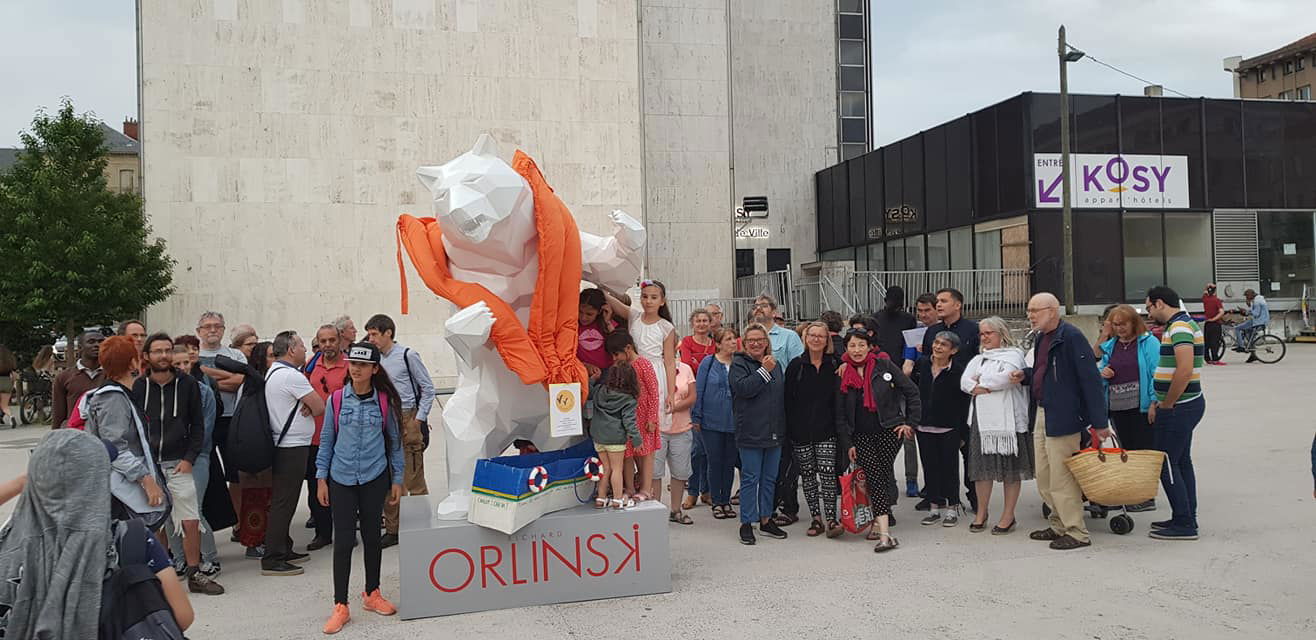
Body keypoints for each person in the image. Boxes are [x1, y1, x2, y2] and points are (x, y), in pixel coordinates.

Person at [0, 429, 194, 639]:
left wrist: (24, 482)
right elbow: (183, 617)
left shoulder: (8, 545)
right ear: (98, 482)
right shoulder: (130, 539)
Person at [315, 342, 404, 634]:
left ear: (374, 369)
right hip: (341, 478)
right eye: (353, 363)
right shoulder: (337, 400)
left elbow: (394, 442)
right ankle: (340, 605)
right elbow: (326, 439)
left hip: (374, 476)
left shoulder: (384, 401)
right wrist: (321, 478)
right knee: (342, 542)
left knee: (372, 537)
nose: (356, 368)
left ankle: (372, 593)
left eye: (363, 365)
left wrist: (397, 479)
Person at [131, 333, 224, 595]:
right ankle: (163, 574)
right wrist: (141, 466)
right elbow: (133, 428)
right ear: (146, 356)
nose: (163, 355)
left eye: (167, 350)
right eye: (157, 351)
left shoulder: (188, 385)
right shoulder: (138, 387)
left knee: (190, 519)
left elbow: (198, 426)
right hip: (149, 466)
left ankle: (195, 573)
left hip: (179, 462)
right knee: (156, 520)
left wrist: (189, 458)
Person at [1013, 293, 1108, 550]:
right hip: (1043, 412)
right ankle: (1058, 524)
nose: (1031, 315)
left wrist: (1099, 423)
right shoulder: (1043, 337)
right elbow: (1047, 372)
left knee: (1062, 477)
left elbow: (1091, 381)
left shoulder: (1072, 337)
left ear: (1053, 311)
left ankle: (1077, 532)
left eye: (1036, 310)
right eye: (1029, 310)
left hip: (1065, 416)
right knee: (1044, 475)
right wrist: (1026, 376)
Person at [834, 329, 920, 553]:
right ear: (846, 348)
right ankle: (884, 534)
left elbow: (911, 392)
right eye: (852, 346)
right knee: (875, 477)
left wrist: (909, 423)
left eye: (861, 345)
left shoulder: (884, 366)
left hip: (889, 432)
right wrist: (848, 443)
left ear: (870, 346)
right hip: (860, 436)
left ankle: (879, 525)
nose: (857, 350)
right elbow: (841, 415)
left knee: (880, 476)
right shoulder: (843, 373)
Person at [82, 336, 169, 530]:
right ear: (132, 362)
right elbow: (114, 447)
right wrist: (146, 479)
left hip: (119, 487)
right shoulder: (113, 398)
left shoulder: (118, 394)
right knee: (128, 546)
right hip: (118, 490)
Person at [364, 314, 434, 548]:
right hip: (384, 417)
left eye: (374, 334)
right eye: (369, 334)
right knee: (387, 476)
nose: (371, 338)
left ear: (388, 333)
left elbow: (427, 387)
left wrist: (418, 419)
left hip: (407, 416)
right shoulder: (374, 360)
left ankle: (422, 526)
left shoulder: (407, 355)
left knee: (413, 475)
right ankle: (393, 529)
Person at [1145, 286, 1207, 541]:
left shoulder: (1180, 327)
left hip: (1180, 406)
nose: (1148, 313)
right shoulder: (1181, 325)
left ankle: (1184, 522)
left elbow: (1184, 369)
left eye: (1148, 307)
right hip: (1184, 403)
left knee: (1166, 462)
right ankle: (1185, 515)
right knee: (1180, 461)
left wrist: (1168, 403)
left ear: (1160, 303)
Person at [960, 318, 1032, 534]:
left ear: (1002, 334)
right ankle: (982, 512)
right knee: (982, 471)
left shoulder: (1014, 356)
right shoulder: (979, 358)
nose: (985, 337)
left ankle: (1008, 516)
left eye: (989, 333)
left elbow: (1006, 380)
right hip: (982, 421)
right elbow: (965, 382)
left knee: (1011, 470)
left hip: (1009, 421)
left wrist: (981, 384)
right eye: (982, 334)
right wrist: (979, 384)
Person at [262, 330, 326, 576]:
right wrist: (309, 404)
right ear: (290, 349)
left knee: (284, 500)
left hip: (285, 443)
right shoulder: (291, 376)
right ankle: (273, 557)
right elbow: (319, 406)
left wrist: (306, 404)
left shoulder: (275, 372)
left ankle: (283, 547)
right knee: (284, 502)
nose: (305, 350)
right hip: (292, 446)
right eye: (301, 345)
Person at [166, 343, 224, 581]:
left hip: (197, 456)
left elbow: (205, 430)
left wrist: (187, 454)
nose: (182, 367)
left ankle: (209, 557)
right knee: (170, 511)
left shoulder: (203, 392)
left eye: (185, 363)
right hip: (168, 458)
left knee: (193, 509)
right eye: (176, 364)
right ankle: (179, 559)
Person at [1096, 304, 1161, 512]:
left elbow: (1156, 373)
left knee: (1143, 449)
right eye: (1115, 325)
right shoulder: (1111, 344)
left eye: (1123, 324)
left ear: (1134, 323)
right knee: (1125, 450)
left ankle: (1147, 496)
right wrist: (1102, 371)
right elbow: (1096, 361)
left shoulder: (1148, 342)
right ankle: (1133, 493)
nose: (1119, 329)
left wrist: (1153, 402)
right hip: (1117, 405)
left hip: (1140, 405)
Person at [729, 324, 789, 545]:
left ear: (767, 342)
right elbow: (744, 389)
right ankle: (747, 522)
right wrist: (764, 371)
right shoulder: (738, 364)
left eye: (760, 339)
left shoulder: (776, 364)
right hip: (750, 432)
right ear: (744, 344)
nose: (755, 343)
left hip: (774, 431)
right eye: (751, 340)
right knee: (750, 478)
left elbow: (780, 396)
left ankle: (766, 519)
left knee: (769, 478)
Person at [784, 322, 842, 538]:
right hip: (800, 431)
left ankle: (831, 518)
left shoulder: (836, 364)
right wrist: (789, 430)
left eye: (821, 336)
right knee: (807, 475)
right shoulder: (795, 366)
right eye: (812, 336)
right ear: (805, 339)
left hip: (827, 429)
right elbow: (788, 400)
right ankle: (816, 518)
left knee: (828, 475)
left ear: (827, 340)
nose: (816, 339)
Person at [750, 295, 803, 526]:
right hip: (757, 408)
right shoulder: (749, 337)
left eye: (763, 305)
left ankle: (789, 507)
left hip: (783, 406)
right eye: (756, 306)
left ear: (774, 311)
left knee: (784, 460)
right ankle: (764, 507)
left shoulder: (788, 337)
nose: (758, 309)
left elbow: (797, 370)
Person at [911, 331, 972, 528]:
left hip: (949, 427)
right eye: (936, 343)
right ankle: (934, 507)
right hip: (923, 425)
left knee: (950, 469)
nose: (937, 347)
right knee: (930, 468)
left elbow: (964, 403)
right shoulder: (921, 365)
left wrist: (963, 432)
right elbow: (912, 392)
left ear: (953, 350)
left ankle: (953, 507)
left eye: (943, 345)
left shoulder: (959, 371)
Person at [305, 324, 350, 550]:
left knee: (345, 490)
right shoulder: (311, 366)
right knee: (316, 488)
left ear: (340, 340)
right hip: (316, 437)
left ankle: (347, 534)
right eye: (323, 341)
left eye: (332, 340)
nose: (327, 345)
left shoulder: (351, 366)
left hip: (345, 438)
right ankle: (322, 533)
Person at [605, 332, 661, 500]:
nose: (614, 358)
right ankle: (629, 488)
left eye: (616, 354)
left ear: (628, 349)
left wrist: (652, 418)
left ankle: (645, 488)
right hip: (626, 418)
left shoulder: (644, 364)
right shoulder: (619, 368)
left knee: (647, 454)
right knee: (627, 453)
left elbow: (653, 393)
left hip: (644, 418)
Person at [691, 327, 739, 521]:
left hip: (734, 421)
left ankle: (726, 500)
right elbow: (699, 390)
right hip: (711, 421)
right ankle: (717, 501)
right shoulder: (708, 363)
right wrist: (697, 416)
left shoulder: (740, 362)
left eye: (734, 339)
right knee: (714, 461)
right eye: (728, 339)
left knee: (729, 463)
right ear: (718, 344)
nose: (733, 342)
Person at [588, 361, 643, 509]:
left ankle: (601, 498)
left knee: (606, 469)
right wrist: (637, 440)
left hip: (598, 436)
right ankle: (618, 500)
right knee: (617, 469)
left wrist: (592, 379)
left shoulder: (600, 390)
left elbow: (588, 391)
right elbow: (629, 422)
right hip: (615, 438)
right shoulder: (628, 399)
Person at [654, 359, 697, 524]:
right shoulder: (653, 367)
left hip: (681, 428)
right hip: (657, 429)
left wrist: (674, 408)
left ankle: (675, 510)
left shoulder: (685, 368)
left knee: (680, 472)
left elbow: (693, 396)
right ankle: (655, 512)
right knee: (654, 474)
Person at [51, 330, 105, 428]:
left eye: (101, 341)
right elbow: (58, 414)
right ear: (80, 348)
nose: (97, 345)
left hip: (104, 432)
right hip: (75, 433)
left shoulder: (112, 375)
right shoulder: (64, 377)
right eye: (91, 342)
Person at [874, 285, 916, 366]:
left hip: (902, 364)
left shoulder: (909, 319)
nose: (895, 308)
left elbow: (911, 344)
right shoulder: (874, 319)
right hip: (879, 362)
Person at [578, 288, 614, 375]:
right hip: (581, 371)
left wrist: (608, 322)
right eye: (580, 312)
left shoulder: (607, 324)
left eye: (589, 314)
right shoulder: (572, 325)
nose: (583, 318)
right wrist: (584, 365)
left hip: (608, 372)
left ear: (599, 311)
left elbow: (618, 344)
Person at [1233, 288, 1271, 363]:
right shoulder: (1259, 299)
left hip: (1258, 322)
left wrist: (1246, 312)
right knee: (1248, 334)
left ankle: (1241, 346)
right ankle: (1253, 355)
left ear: (1251, 295)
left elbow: (1256, 314)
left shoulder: (1257, 301)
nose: (1246, 298)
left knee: (1237, 328)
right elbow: (1256, 311)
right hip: (1262, 321)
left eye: (1247, 296)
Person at [680, 309, 717, 374]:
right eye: (698, 321)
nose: (701, 324)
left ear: (710, 323)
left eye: (704, 321)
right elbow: (687, 364)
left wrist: (696, 363)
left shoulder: (715, 344)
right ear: (692, 324)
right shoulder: (687, 341)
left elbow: (717, 367)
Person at [1201, 283, 1226, 365]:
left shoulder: (1205, 299)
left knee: (1207, 342)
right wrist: (1214, 319)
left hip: (1207, 323)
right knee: (1215, 342)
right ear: (1215, 291)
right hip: (1215, 324)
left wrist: (1207, 286)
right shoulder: (1217, 300)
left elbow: (1205, 292)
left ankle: (1207, 359)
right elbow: (1221, 312)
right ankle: (1215, 359)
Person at [0, 345, 16, 427]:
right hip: (7, 382)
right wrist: (12, 384)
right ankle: (11, 416)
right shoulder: (9, 361)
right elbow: (14, 375)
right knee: (4, 405)